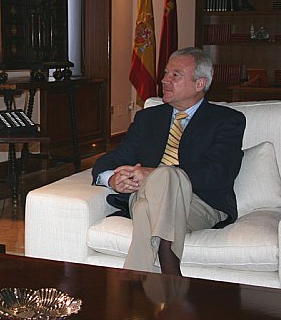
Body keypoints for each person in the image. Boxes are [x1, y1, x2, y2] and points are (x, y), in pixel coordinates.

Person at [92, 47, 245, 275]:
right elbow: (114, 158)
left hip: (199, 204)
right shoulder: (148, 118)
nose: (164, 80)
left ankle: (137, 279)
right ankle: (170, 269)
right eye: (165, 73)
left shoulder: (226, 120)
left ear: (199, 83)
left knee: (148, 205)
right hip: (145, 194)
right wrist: (112, 179)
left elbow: (218, 172)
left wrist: (153, 174)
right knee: (151, 192)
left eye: (175, 75)